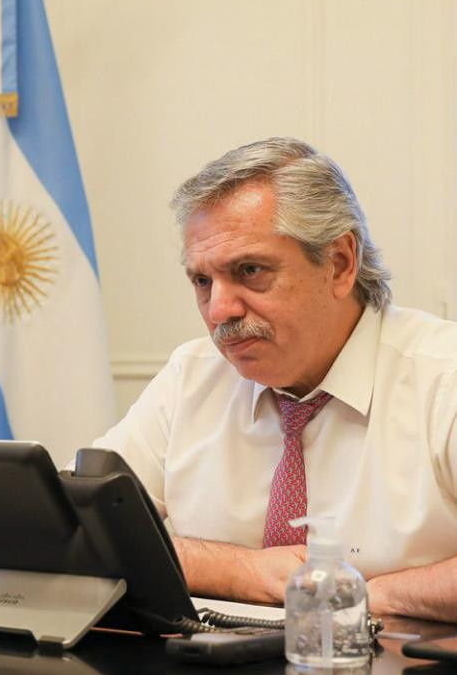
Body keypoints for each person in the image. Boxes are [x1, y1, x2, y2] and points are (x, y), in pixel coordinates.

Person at [94, 137, 457, 622]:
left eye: (250, 270)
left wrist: (363, 596)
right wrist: (242, 571)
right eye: (202, 281)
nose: (219, 309)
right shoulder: (193, 375)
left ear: (340, 263)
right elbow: (76, 530)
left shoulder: (442, 376)